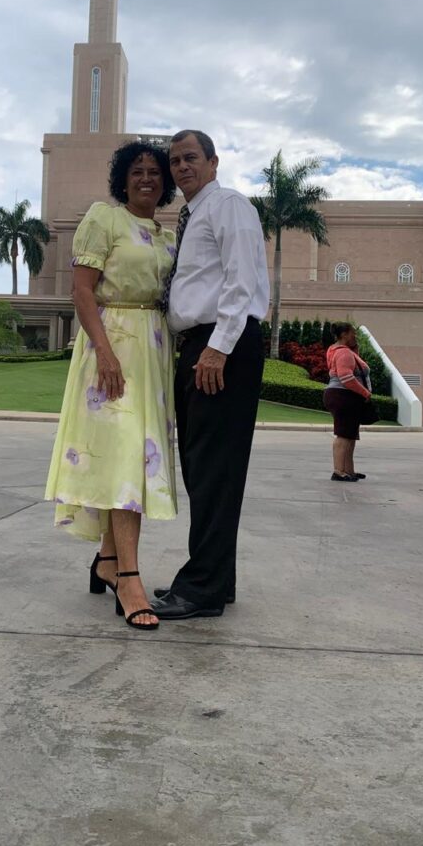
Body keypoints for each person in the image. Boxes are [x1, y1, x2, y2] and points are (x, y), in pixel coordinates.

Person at [45, 140, 178, 631]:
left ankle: (106, 559)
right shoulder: (104, 218)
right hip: (113, 348)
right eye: (137, 171)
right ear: (122, 179)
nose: (147, 178)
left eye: (155, 172)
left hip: (153, 351)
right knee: (124, 460)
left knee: (134, 457)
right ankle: (129, 577)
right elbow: (81, 290)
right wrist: (104, 351)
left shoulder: (165, 235)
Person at [150, 129, 270, 620]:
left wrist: (218, 349)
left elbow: (242, 282)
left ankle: (201, 587)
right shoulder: (194, 214)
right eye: (175, 160)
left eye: (191, 158)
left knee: (214, 471)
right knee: (204, 471)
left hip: (223, 346)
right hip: (200, 345)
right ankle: (217, 580)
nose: (181, 167)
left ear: (213, 162)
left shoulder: (229, 206)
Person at [323, 322, 372, 481]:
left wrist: (355, 350)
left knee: (350, 434)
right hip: (343, 396)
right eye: (352, 333)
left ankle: (349, 470)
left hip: (343, 396)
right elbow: (346, 378)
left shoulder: (336, 350)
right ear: (344, 334)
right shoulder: (343, 353)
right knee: (343, 435)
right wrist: (365, 392)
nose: (355, 336)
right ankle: (339, 471)